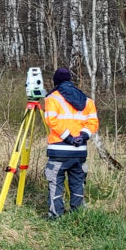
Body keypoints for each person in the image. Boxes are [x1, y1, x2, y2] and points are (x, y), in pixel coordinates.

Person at [43, 67, 99, 219]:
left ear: (56, 82)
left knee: (55, 182)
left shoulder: (52, 98)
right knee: (77, 183)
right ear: (70, 81)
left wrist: (68, 137)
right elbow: (93, 122)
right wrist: (82, 136)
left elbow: (51, 121)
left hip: (59, 150)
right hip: (79, 151)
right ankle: (78, 213)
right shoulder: (87, 100)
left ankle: (55, 214)